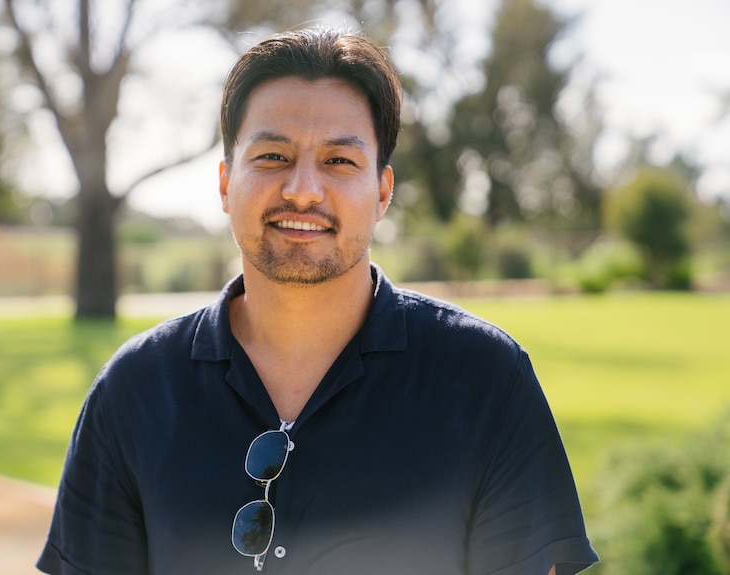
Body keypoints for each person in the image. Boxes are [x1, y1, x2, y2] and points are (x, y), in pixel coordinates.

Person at [37, 27, 599, 575]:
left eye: (339, 161)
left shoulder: (485, 380)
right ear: (225, 182)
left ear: (381, 192)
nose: (303, 189)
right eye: (273, 157)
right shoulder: (133, 391)